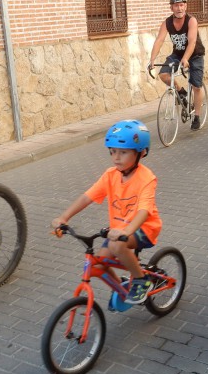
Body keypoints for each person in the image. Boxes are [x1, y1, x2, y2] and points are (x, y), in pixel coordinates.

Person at [51, 120, 162, 304]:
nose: (116, 157)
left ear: (141, 152)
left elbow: (143, 211)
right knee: (100, 263)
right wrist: (64, 217)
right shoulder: (110, 175)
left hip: (144, 228)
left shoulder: (147, 179)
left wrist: (127, 231)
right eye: (112, 151)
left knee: (117, 246)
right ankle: (122, 290)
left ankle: (141, 280)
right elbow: (87, 197)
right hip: (118, 231)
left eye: (123, 152)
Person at [148, 0, 206, 131]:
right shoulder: (167, 23)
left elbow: (192, 42)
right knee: (163, 74)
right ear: (171, 8)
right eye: (176, 6)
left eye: (181, 5)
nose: (179, 8)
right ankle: (181, 92)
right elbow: (159, 40)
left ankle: (197, 116)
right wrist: (152, 60)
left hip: (195, 55)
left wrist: (186, 58)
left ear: (185, 6)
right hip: (177, 54)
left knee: (196, 86)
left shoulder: (191, 21)